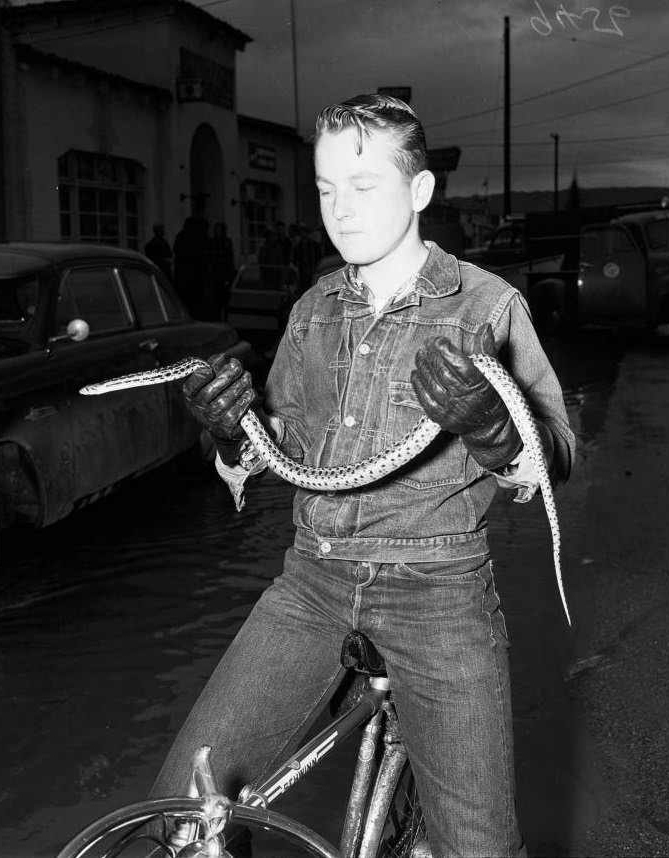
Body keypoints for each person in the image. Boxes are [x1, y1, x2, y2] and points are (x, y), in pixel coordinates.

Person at [151, 94, 575, 857]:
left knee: (478, 846)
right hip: (310, 582)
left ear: (418, 192)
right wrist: (228, 435)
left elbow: (560, 455)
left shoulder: (486, 306)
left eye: (363, 186)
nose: (338, 211)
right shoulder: (313, 309)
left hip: (439, 589)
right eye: (323, 189)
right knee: (180, 813)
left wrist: (495, 432)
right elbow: (273, 446)